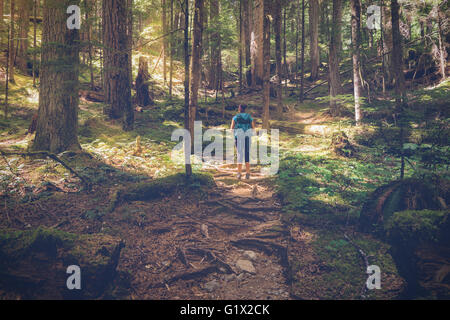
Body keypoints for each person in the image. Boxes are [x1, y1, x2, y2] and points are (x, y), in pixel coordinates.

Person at [230, 104, 256, 179]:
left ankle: (239, 173)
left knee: (239, 154)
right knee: (247, 154)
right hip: (247, 137)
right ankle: (248, 173)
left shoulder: (235, 117)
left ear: (240, 109)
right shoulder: (249, 117)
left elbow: (231, 129)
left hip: (238, 137)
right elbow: (253, 128)